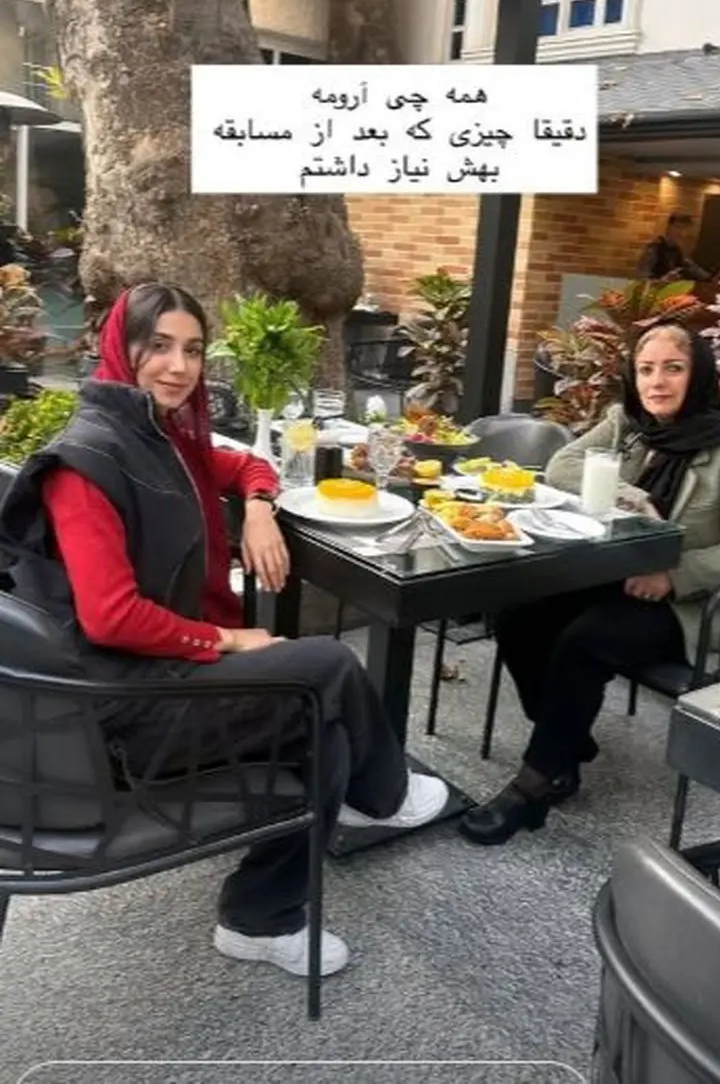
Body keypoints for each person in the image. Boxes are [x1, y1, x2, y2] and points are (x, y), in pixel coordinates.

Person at [0, 283, 448, 975]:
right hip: (119, 713)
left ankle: (259, 918)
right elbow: (110, 616)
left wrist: (260, 507)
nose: (179, 366)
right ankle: (381, 797)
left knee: (324, 725)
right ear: (120, 346)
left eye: (193, 349)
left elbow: (245, 463)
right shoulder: (86, 462)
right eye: (158, 346)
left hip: (150, 679)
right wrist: (228, 640)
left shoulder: (158, 435)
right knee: (327, 668)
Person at [460, 318, 720, 846]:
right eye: (646, 369)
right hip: (614, 575)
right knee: (517, 616)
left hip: (691, 605)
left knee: (585, 641)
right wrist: (632, 496)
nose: (657, 382)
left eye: (673, 368)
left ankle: (537, 784)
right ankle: (566, 741)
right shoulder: (628, 424)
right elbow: (562, 467)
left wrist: (673, 575)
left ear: (699, 375)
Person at [635, 213, 710, 281]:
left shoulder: (677, 251)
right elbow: (642, 278)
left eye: (685, 229)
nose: (682, 233)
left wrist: (710, 278)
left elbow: (692, 268)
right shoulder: (654, 249)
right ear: (668, 228)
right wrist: (662, 281)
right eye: (678, 227)